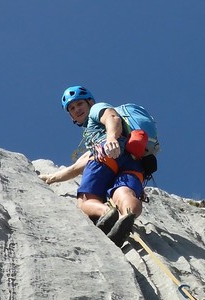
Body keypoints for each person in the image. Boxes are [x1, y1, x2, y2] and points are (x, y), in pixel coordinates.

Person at [40, 85, 145, 246]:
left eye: (79, 104)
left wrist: (111, 138)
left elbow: (112, 118)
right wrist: (51, 178)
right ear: (70, 116)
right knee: (124, 193)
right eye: (72, 108)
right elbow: (78, 166)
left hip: (106, 154)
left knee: (85, 201)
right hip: (133, 163)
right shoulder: (96, 134)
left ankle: (106, 213)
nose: (76, 109)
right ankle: (126, 217)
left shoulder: (97, 109)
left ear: (90, 102)